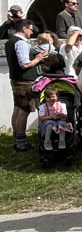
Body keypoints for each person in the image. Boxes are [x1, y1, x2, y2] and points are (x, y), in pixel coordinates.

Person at [6, 19, 47, 151]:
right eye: (30, 29)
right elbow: (24, 64)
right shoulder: (21, 43)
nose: (31, 31)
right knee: (24, 110)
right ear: (24, 29)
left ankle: (17, 139)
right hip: (24, 81)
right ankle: (21, 143)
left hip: (16, 79)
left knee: (18, 109)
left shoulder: (10, 42)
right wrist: (38, 59)